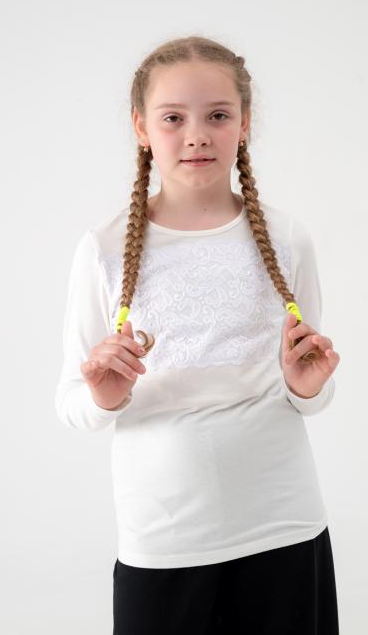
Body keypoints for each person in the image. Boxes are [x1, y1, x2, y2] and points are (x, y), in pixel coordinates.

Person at [55, 35, 341, 634]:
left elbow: (312, 394)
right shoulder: (104, 250)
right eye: (173, 118)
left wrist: (306, 386)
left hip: (284, 529)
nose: (197, 136)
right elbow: (72, 404)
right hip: (163, 541)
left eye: (217, 115)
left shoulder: (287, 239)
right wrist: (105, 397)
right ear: (141, 127)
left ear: (244, 123)